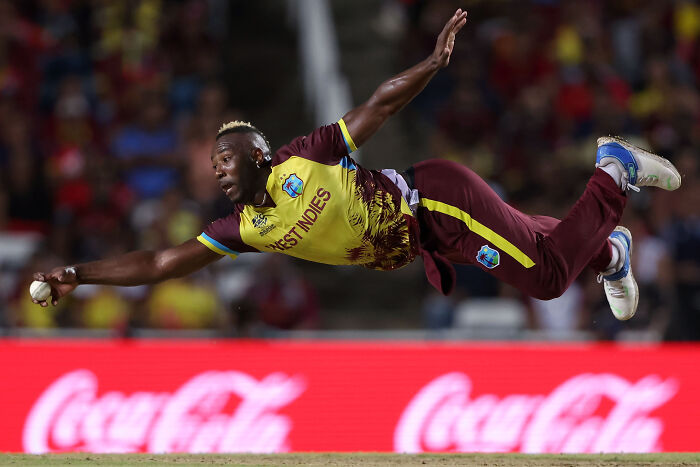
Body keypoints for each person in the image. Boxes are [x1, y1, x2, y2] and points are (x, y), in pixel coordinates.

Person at [32, 9, 681, 323]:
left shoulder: (300, 159)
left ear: (259, 155)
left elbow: (377, 107)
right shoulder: (244, 228)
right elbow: (160, 263)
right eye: (212, 163)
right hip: (429, 238)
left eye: (226, 158)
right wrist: (79, 274)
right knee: (541, 243)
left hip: (436, 199)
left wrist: (431, 64)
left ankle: (612, 170)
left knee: (544, 277)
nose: (218, 170)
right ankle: (611, 252)